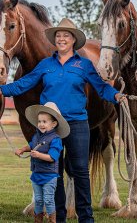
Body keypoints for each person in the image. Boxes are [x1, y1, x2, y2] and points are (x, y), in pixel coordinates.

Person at [0, 18, 124, 223]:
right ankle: (59, 218)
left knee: (81, 172)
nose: (62, 39)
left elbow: (101, 87)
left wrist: (116, 96)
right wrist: (2, 89)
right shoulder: (45, 65)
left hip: (77, 124)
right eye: (58, 36)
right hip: (51, 127)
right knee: (54, 173)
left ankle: (86, 218)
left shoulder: (83, 65)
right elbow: (23, 84)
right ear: (54, 39)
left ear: (74, 40)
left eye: (66, 35)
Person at [15, 102, 69, 223]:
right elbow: (32, 145)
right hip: (36, 174)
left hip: (49, 176)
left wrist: (39, 155)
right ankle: (38, 220)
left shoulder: (55, 139)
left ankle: (52, 220)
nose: (41, 124)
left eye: (45, 122)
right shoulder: (37, 136)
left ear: (54, 124)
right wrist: (23, 149)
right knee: (38, 200)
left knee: (49, 199)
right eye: (39, 121)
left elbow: (52, 157)